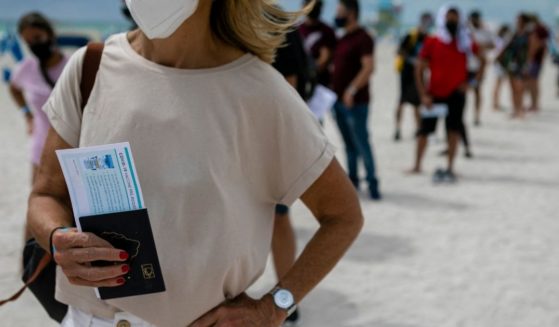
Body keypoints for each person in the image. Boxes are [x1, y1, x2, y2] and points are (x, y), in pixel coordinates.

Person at [27, 1, 364, 326]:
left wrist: (275, 306)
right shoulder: (92, 67)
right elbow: (46, 196)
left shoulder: (261, 92)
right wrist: (58, 238)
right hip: (88, 319)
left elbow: (343, 216)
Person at [8, 13, 68, 241]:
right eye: (29, 41)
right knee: (38, 208)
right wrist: (26, 114)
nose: (35, 44)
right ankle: (30, 265)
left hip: (69, 149)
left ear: (50, 34)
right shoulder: (26, 69)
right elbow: (14, 88)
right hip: (39, 150)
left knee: (69, 210)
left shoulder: (72, 65)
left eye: (38, 37)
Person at [409, 6, 484, 182]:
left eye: (455, 18)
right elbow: (419, 67)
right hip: (433, 94)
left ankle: (450, 166)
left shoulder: (465, 41)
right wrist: (423, 94)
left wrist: (472, 83)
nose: (452, 22)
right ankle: (417, 165)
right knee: (424, 131)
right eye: (449, 18)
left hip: (456, 94)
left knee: (453, 130)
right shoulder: (433, 41)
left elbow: (483, 60)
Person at [271, 28, 309, 326]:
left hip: (272, 139)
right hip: (265, 137)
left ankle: (287, 294)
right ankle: (288, 294)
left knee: (279, 217)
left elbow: (289, 86)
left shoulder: (275, 27)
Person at [332, 0, 381, 200]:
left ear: (351, 13)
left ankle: (372, 182)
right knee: (348, 145)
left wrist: (351, 90)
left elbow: (369, 67)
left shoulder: (363, 38)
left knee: (362, 143)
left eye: (340, 12)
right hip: (337, 102)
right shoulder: (342, 38)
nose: (337, 16)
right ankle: (353, 181)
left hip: (356, 102)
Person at [393, 12, 433, 141]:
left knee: (417, 103)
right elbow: (399, 51)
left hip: (420, 75)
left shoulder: (428, 38)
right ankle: (397, 129)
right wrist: (412, 60)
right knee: (402, 101)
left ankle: (418, 129)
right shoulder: (411, 35)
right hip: (406, 73)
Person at [498, 13, 531, 119]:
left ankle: (520, 109)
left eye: (519, 20)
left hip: (522, 63)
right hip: (512, 62)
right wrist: (500, 57)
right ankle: (515, 109)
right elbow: (506, 46)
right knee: (512, 87)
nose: (517, 22)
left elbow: (530, 50)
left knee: (520, 88)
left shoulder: (528, 34)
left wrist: (528, 64)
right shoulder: (514, 33)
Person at [299, 0, 337, 88]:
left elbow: (324, 59)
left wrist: (310, 69)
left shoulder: (327, 31)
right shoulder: (297, 30)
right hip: (300, 82)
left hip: (320, 84)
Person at [467, 10, 493, 126]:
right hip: (466, 65)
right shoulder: (466, 31)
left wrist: (480, 46)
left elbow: (492, 44)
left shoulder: (485, 30)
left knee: (477, 91)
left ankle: (476, 116)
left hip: (478, 66)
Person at [525, 15, 550, 113]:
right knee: (533, 83)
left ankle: (534, 104)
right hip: (537, 60)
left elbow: (536, 45)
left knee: (533, 83)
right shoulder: (542, 29)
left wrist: (529, 58)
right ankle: (534, 104)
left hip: (534, 60)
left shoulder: (538, 30)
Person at [492, 24, 512, 111]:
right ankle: (495, 104)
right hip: (500, 63)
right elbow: (500, 52)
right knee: (498, 84)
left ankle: (496, 103)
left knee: (498, 84)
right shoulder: (501, 40)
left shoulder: (498, 39)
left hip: (499, 63)